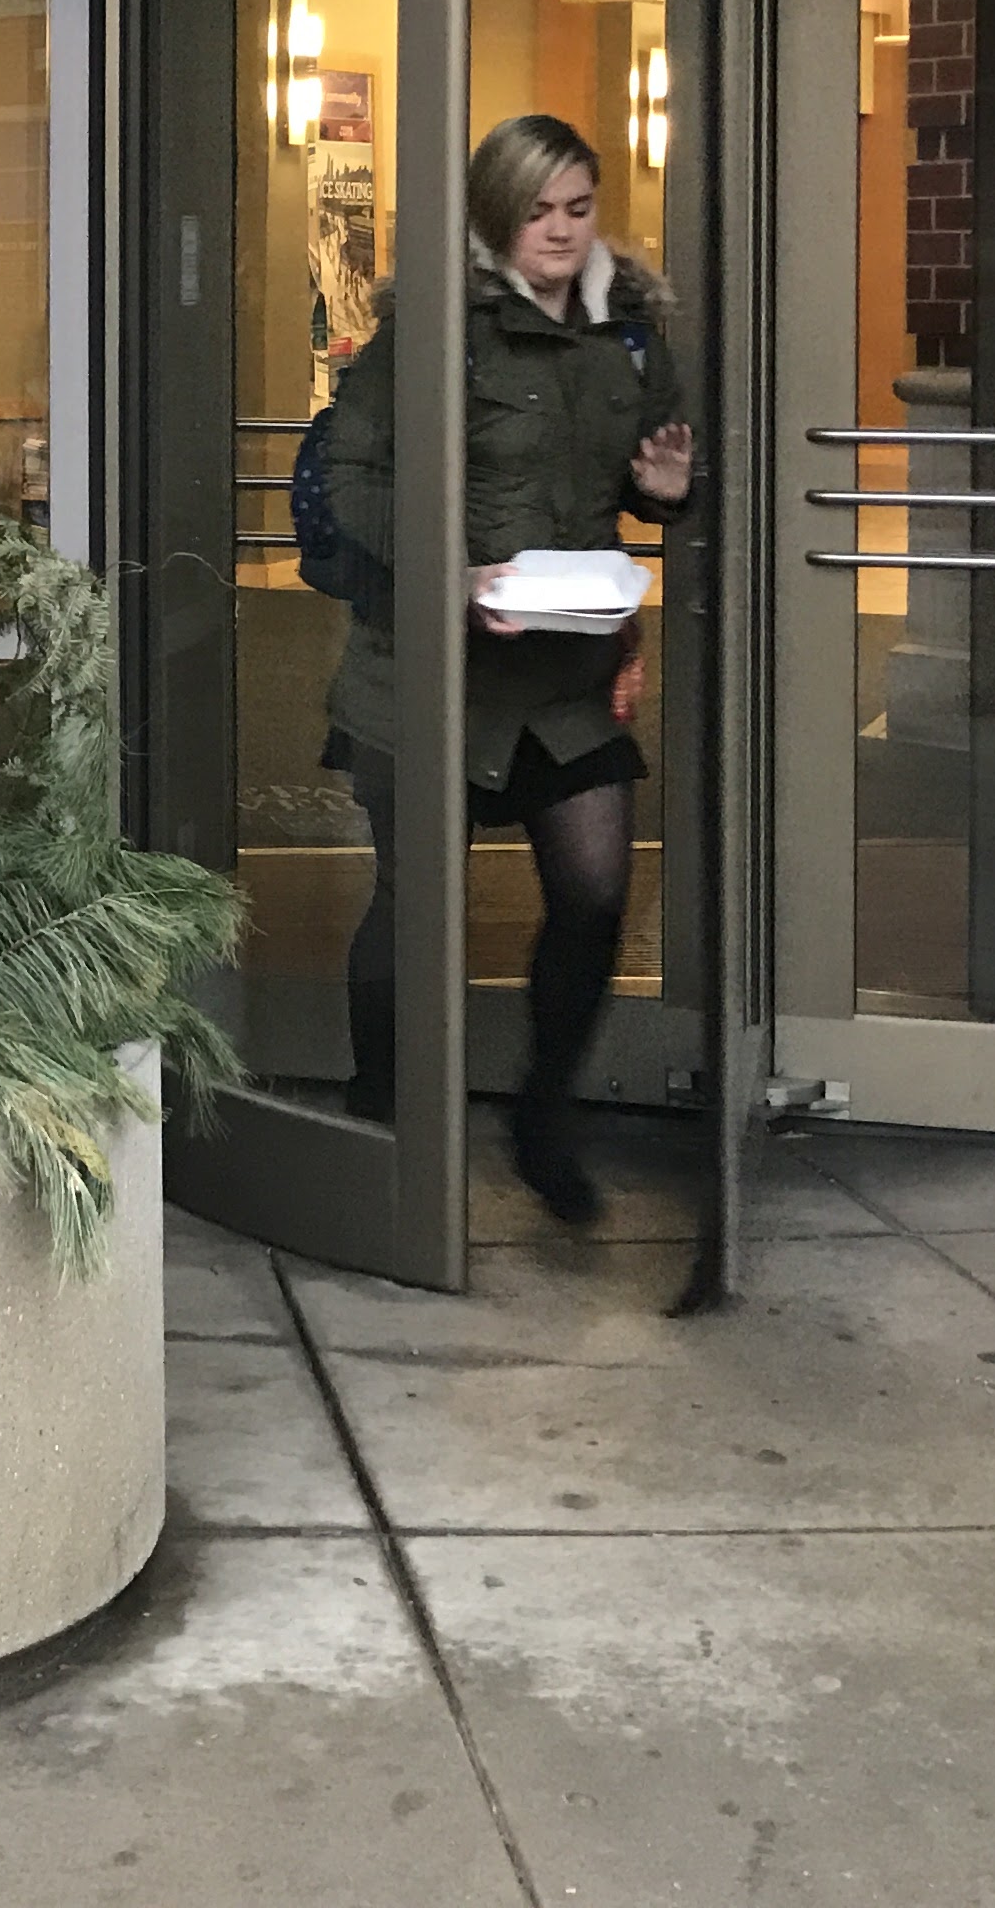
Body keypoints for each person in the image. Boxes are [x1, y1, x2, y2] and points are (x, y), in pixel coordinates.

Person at [318, 113, 694, 1223]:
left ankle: (543, 1121)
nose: (564, 232)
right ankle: (380, 1120)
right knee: (410, 901)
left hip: (566, 674)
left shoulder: (630, 333)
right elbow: (354, 484)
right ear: (495, 216)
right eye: (540, 213)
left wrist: (669, 492)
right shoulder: (428, 332)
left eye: (580, 209)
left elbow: (646, 476)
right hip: (427, 671)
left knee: (592, 894)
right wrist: (457, 573)